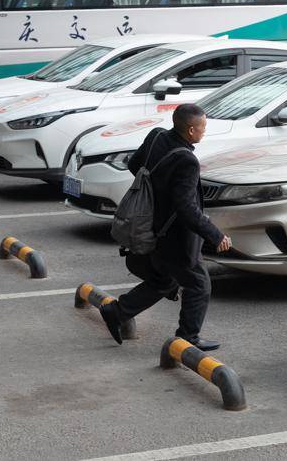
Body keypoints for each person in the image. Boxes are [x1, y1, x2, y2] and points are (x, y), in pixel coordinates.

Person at [98, 104, 231, 351]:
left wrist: (156, 194)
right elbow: (186, 208)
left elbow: (135, 165)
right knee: (199, 284)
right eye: (203, 127)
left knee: (164, 280)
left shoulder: (156, 136)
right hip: (174, 236)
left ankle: (116, 312)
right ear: (191, 130)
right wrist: (215, 234)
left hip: (149, 223)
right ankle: (187, 339)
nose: (204, 131)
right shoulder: (187, 160)